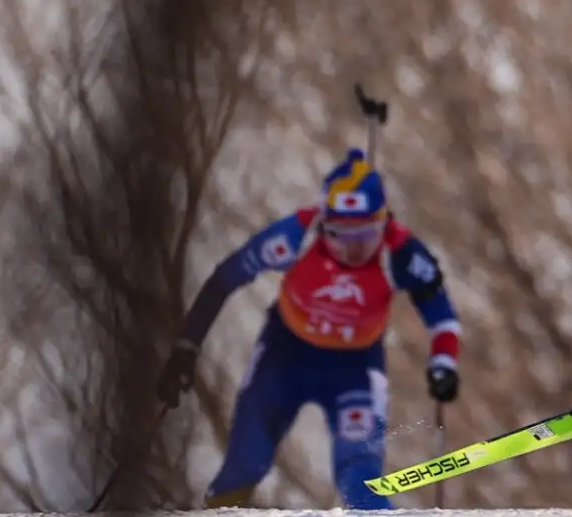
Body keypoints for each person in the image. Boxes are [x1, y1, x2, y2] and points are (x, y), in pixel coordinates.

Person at [157, 151, 461, 510]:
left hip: (355, 369)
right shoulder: (294, 236)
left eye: (366, 236)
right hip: (286, 355)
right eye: (340, 236)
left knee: (359, 475)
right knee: (245, 462)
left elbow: (442, 316)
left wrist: (444, 363)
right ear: (323, 224)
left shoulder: (401, 253)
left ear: (383, 223)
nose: (353, 250)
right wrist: (187, 346)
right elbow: (225, 279)